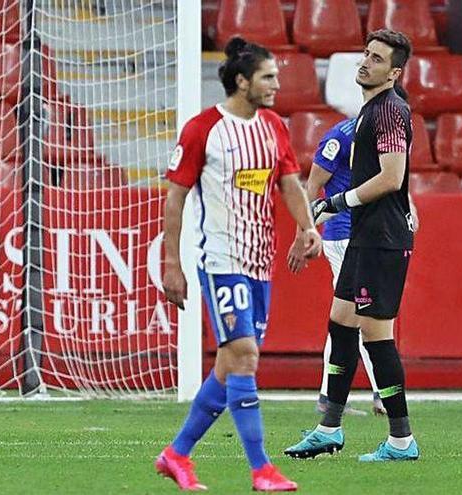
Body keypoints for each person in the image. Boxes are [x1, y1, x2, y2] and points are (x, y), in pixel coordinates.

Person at [155, 37, 321, 492]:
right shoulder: (203, 128)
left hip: (260, 261)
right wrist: (173, 263)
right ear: (242, 80)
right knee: (245, 356)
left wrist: (307, 227)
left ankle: (176, 455)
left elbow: (289, 182)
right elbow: (176, 197)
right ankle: (261, 469)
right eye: (268, 76)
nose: (276, 84)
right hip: (221, 259)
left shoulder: (273, 127)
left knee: (231, 364)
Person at [284, 29, 419, 462]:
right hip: (364, 235)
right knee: (341, 323)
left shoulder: (390, 111)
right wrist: (328, 210)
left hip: (381, 239)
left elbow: (392, 177)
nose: (365, 62)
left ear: (394, 73)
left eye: (377, 59)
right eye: (366, 54)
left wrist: (337, 201)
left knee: (377, 336)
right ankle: (329, 429)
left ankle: (401, 440)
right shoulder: (369, 112)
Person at [290, 116, 386, 417]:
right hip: (344, 233)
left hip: (369, 233)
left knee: (351, 317)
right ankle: (379, 393)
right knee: (365, 313)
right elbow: (314, 184)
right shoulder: (341, 136)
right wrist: (304, 233)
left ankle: (331, 395)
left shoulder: (386, 133)